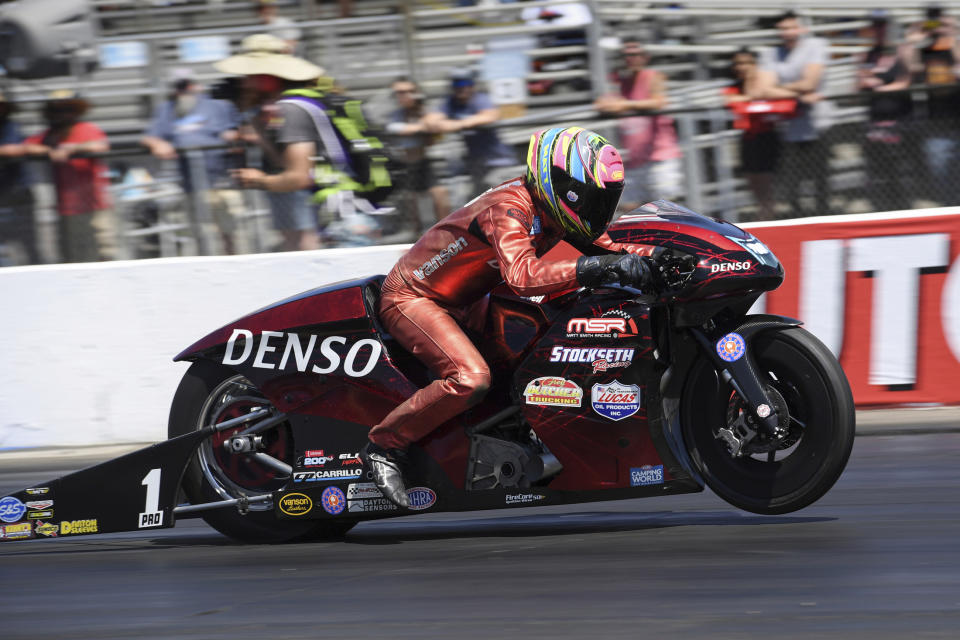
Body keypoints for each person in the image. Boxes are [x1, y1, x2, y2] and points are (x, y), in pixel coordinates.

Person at [360, 126, 663, 508]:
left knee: (544, 337)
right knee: (471, 379)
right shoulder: (508, 208)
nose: (594, 208)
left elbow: (612, 247)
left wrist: (664, 257)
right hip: (414, 297)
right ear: (557, 182)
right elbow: (523, 277)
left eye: (602, 199)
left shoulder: (556, 209)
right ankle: (384, 445)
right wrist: (598, 267)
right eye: (587, 197)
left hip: (471, 297)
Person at [221, 34, 392, 249]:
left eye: (249, 75)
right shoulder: (309, 100)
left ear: (266, 76)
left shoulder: (291, 109)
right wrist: (257, 124)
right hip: (350, 214)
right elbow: (289, 165)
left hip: (344, 220)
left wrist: (259, 180)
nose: (244, 83)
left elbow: (298, 177)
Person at [141, 68, 242, 255]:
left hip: (223, 181)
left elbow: (240, 132)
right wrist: (158, 143)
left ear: (197, 85)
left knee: (231, 231)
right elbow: (149, 137)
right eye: (179, 86)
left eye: (187, 84)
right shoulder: (167, 109)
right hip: (192, 185)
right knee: (201, 233)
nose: (184, 90)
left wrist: (233, 138)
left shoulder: (219, 106)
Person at [22, 90, 114, 263]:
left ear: (75, 112)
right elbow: (26, 147)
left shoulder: (87, 129)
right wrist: (49, 151)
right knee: (72, 259)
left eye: (68, 109)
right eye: (58, 110)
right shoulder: (48, 136)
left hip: (95, 206)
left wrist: (72, 149)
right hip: (66, 210)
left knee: (105, 254)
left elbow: (101, 146)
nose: (63, 114)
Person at [594, 38, 682, 212]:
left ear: (645, 57)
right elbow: (602, 103)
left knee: (667, 212)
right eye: (626, 55)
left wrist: (626, 105)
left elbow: (659, 102)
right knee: (630, 210)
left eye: (635, 55)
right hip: (635, 160)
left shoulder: (653, 76)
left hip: (660, 158)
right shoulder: (621, 82)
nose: (630, 59)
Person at [760, 10, 831, 217]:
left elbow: (811, 82)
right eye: (783, 29)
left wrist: (780, 91)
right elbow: (764, 89)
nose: (787, 33)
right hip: (788, 128)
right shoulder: (771, 53)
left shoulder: (815, 46)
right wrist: (798, 95)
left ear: (802, 28)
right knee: (793, 185)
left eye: (791, 27)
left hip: (817, 125)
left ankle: (824, 219)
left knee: (821, 182)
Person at [723, 48, 796, 220]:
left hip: (766, 138)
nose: (742, 67)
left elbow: (788, 99)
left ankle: (769, 217)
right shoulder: (734, 87)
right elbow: (734, 102)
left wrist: (759, 93)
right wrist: (754, 96)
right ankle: (765, 215)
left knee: (766, 185)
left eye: (747, 63)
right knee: (754, 184)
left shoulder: (765, 85)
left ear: (755, 65)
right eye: (738, 63)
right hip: (748, 139)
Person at [423, 68, 516, 195]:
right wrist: (455, 124)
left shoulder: (480, 99)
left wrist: (458, 124)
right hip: (477, 165)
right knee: (478, 203)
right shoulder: (451, 102)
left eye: (464, 84)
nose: (460, 88)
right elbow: (430, 121)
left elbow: (490, 116)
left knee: (501, 199)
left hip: (498, 162)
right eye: (456, 84)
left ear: (472, 85)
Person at [857, 11, 913, 212]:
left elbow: (907, 80)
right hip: (875, 123)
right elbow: (858, 83)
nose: (878, 30)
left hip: (899, 123)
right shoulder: (867, 55)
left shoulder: (901, 51)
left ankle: (903, 209)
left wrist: (882, 87)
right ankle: (881, 209)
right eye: (875, 25)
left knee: (899, 170)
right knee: (876, 170)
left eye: (882, 25)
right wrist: (865, 82)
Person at [906, 3, 960, 206]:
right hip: (937, 124)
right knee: (942, 178)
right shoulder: (923, 49)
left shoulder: (953, 43)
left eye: (937, 17)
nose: (934, 22)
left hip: (957, 119)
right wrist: (913, 41)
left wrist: (952, 34)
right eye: (930, 18)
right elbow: (911, 71)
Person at [385, 76, 450, 234]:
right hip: (404, 164)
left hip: (423, 162)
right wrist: (421, 126)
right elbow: (398, 129)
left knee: (440, 195)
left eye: (409, 92)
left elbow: (435, 129)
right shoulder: (396, 115)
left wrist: (423, 117)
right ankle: (417, 236)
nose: (405, 96)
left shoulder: (422, 112)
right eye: (400, 92)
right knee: (411, 202)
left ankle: (447, 234)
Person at [0, 91, 40, 265]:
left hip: (18, 194)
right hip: (5, 195)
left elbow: (13, 149)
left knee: (28, 243)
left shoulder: (9, 126)